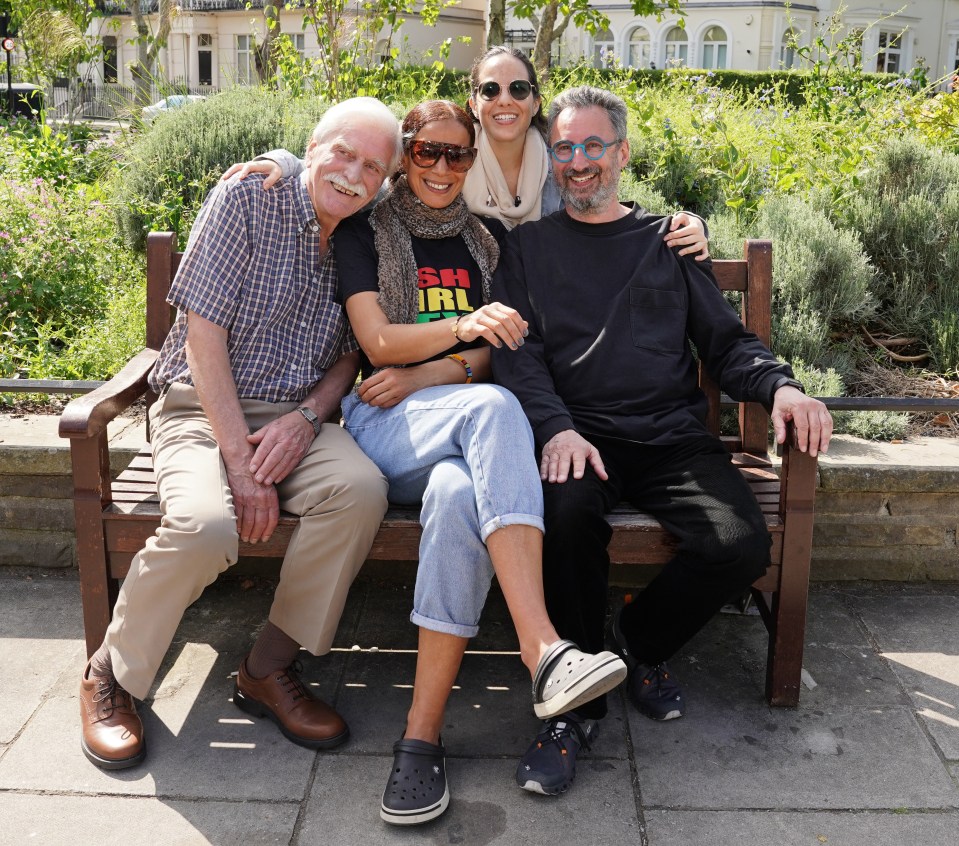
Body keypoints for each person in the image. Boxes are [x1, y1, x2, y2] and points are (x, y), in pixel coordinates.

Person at [490, 85, 834, 798]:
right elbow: (516, 356)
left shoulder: (669, 241)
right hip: (580, 437)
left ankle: (638, 642)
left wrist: (783, 388)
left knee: (738, 543)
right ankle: (573, 703)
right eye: (564, 147)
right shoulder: (525, 250)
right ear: (551, 157)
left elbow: (725, 342)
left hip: (673, 439)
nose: (578, 161)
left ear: (620, 153)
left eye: (592, 146)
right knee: (568, 514)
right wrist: (555, 427)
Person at [78, 98, 402, 771]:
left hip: (296, 416)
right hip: (202, 406)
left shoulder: (362, 236)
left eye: (372, 166)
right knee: (205, 527)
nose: (351, 173)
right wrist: (239, 459)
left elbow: (350, 353)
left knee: (361, 489)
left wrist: (309, 416)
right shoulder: (251, 197)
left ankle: (266, 669)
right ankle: (111, 673)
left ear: (383, 183)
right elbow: (203, 336)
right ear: (312, 144)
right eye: (342, 151)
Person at [333, 99, 626, 825]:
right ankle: (545, 650)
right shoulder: (366, 232)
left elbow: (507, 344)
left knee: (461, 496)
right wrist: (461, 333)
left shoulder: (488, 241)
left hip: (451, 418)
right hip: (385, 423)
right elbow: (376, 342)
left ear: (473, 162)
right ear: (405, 154)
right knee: (497, 410)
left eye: (456, 155)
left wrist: (437, 371)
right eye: (427, 152)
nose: (440, 167)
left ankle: (420, 740)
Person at [224, 47, 710, 258]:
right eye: (491, 89)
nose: (505, 99)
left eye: (518, 88)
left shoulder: (559, 162)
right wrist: (286, 162)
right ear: (473, 101)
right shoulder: (447, 152)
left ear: (535, 100)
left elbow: (606, 198)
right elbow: (364, 159)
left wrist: (689, 221)